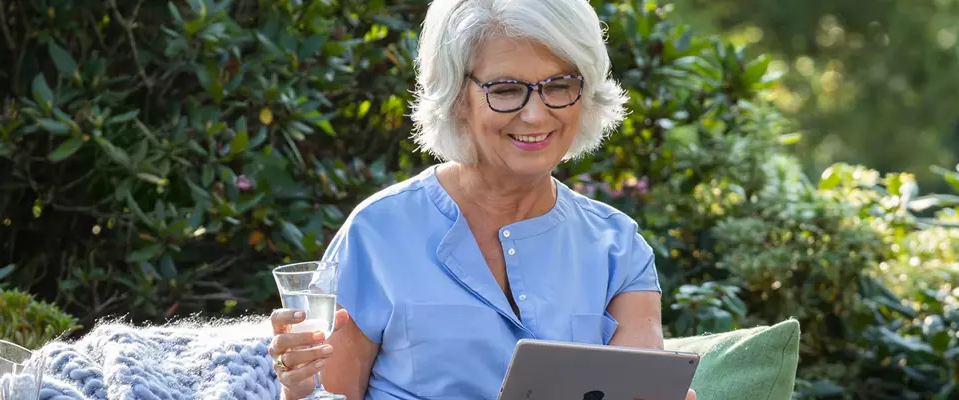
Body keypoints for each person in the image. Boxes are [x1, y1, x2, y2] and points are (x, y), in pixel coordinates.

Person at [267, 0, 695, 399]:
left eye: (560, 85)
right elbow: (325, 393)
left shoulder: (619, 247)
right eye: (506, 89)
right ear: (456, 98)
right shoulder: (377, 232)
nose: (535, 114)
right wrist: (299, 385)